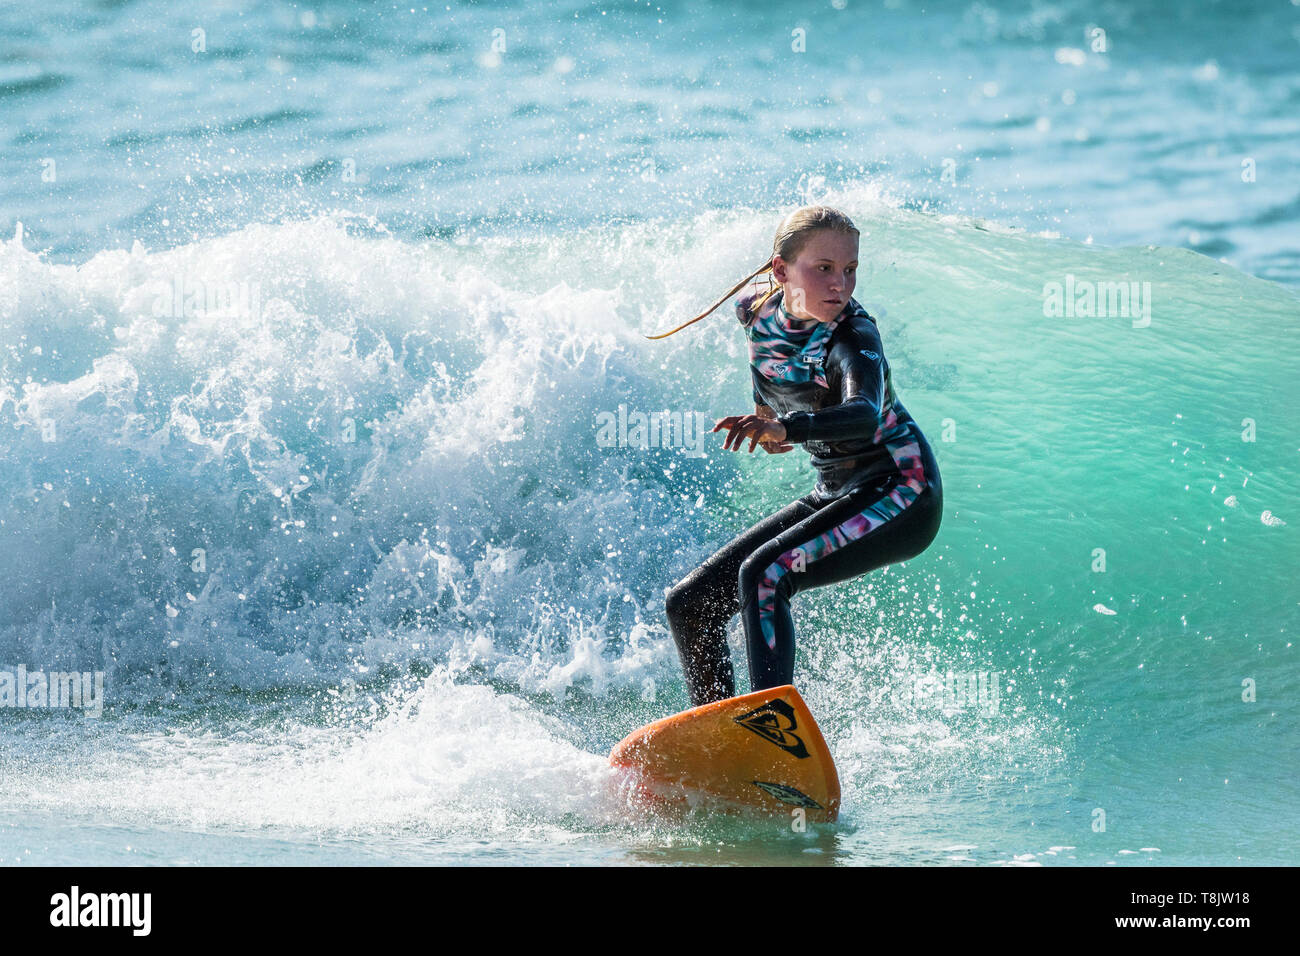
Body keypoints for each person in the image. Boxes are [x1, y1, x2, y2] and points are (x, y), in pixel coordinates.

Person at [652, 205, 943, 707]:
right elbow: (766, 360)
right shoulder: (754, 310)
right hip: (836, 490)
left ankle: (773, 726)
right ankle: (720, 734)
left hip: (902, 489)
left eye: (850, 269)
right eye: (824, 268)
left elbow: (863, 413)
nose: (841, 284)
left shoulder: (853, 336)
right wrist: (764, 415)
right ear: (781, 270)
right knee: (690, 603)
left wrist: (785, 424)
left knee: (765, 575)